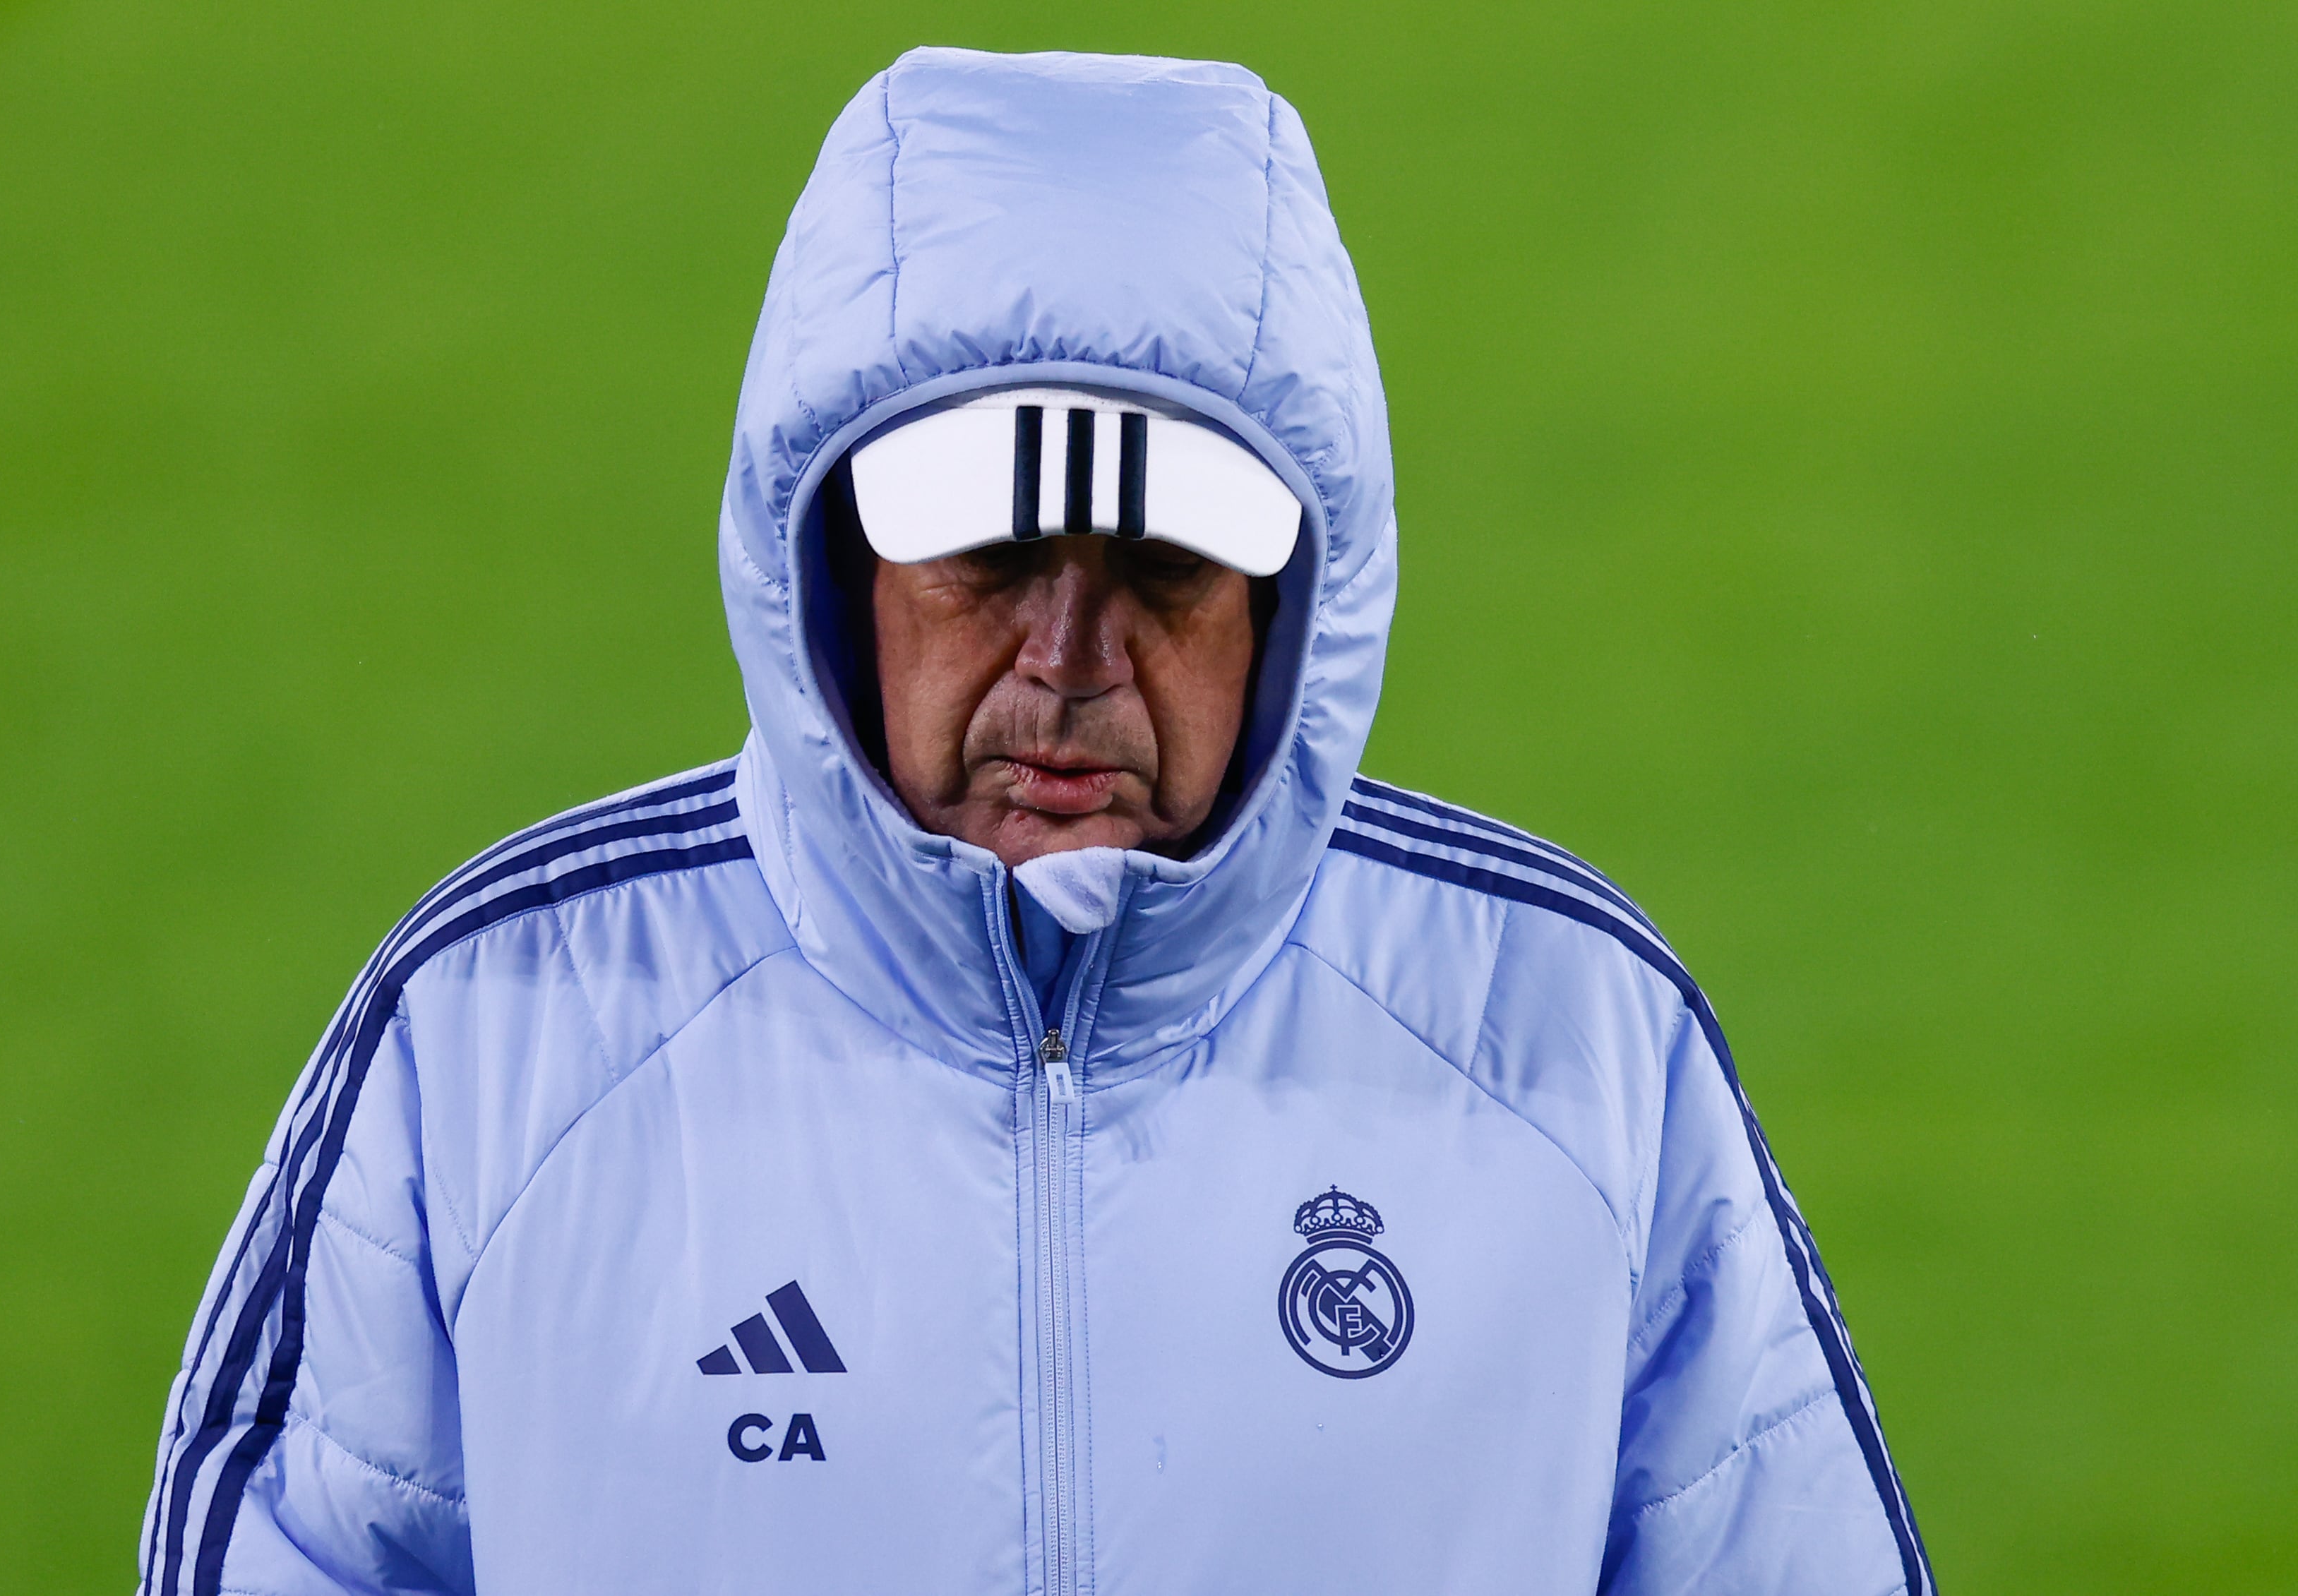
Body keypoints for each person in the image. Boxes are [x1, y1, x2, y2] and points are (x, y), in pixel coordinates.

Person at [137, 46, 1934, 1596]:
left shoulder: (1572, 1042)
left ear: (1294, 605)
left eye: (1163, 570)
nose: (1067, 661)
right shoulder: (495, 1037)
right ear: (837, 561)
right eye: (988, 558)